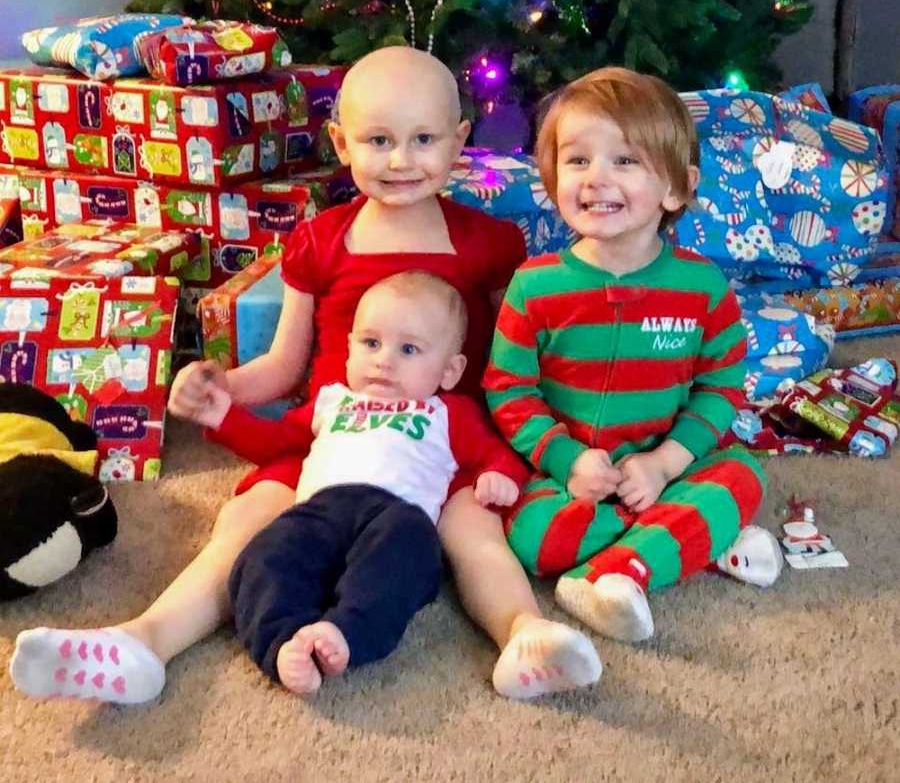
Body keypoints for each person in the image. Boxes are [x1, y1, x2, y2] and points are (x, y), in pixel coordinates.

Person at [11, 46, 601, 705]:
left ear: (460, 141)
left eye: (423, 139)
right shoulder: (321, 240)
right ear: (341, 143)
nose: (401, 159)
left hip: (445, 442)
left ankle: (522, 635)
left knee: (479, 538)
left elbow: (505, 367)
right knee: (241, 527)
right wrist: (220, 390)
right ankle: (145, 641)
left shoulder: (490, 243)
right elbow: (283, 368)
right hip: (326, 438)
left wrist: (503, 460)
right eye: (379, 140)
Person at [483, 67, 781, 645]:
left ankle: (614, 574)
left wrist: (667, 463)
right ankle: (690, 540)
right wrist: (567, 460)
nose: (597, 178)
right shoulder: (533, 286)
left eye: (625, 161)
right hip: (571, 478)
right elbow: (510, 390)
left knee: (744, 476)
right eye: (577, 160)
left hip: (670, 465)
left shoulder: (703, 287)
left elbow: (720, 389)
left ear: (676, 187)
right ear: (551, 178)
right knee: (530, 537)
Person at [214, 272, 596, 695]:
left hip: (394, 515)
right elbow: (274, 442)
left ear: (450, 371)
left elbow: (497, 453)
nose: (384, 360)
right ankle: (282, 644)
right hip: (317, 513)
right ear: (348, 351)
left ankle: (345, 633)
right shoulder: (333, 401)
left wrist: (499, 476)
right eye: (370, 343)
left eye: (409, 349)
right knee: (266, 555)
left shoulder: (447, 412)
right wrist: (223, 418)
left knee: (407, 560)